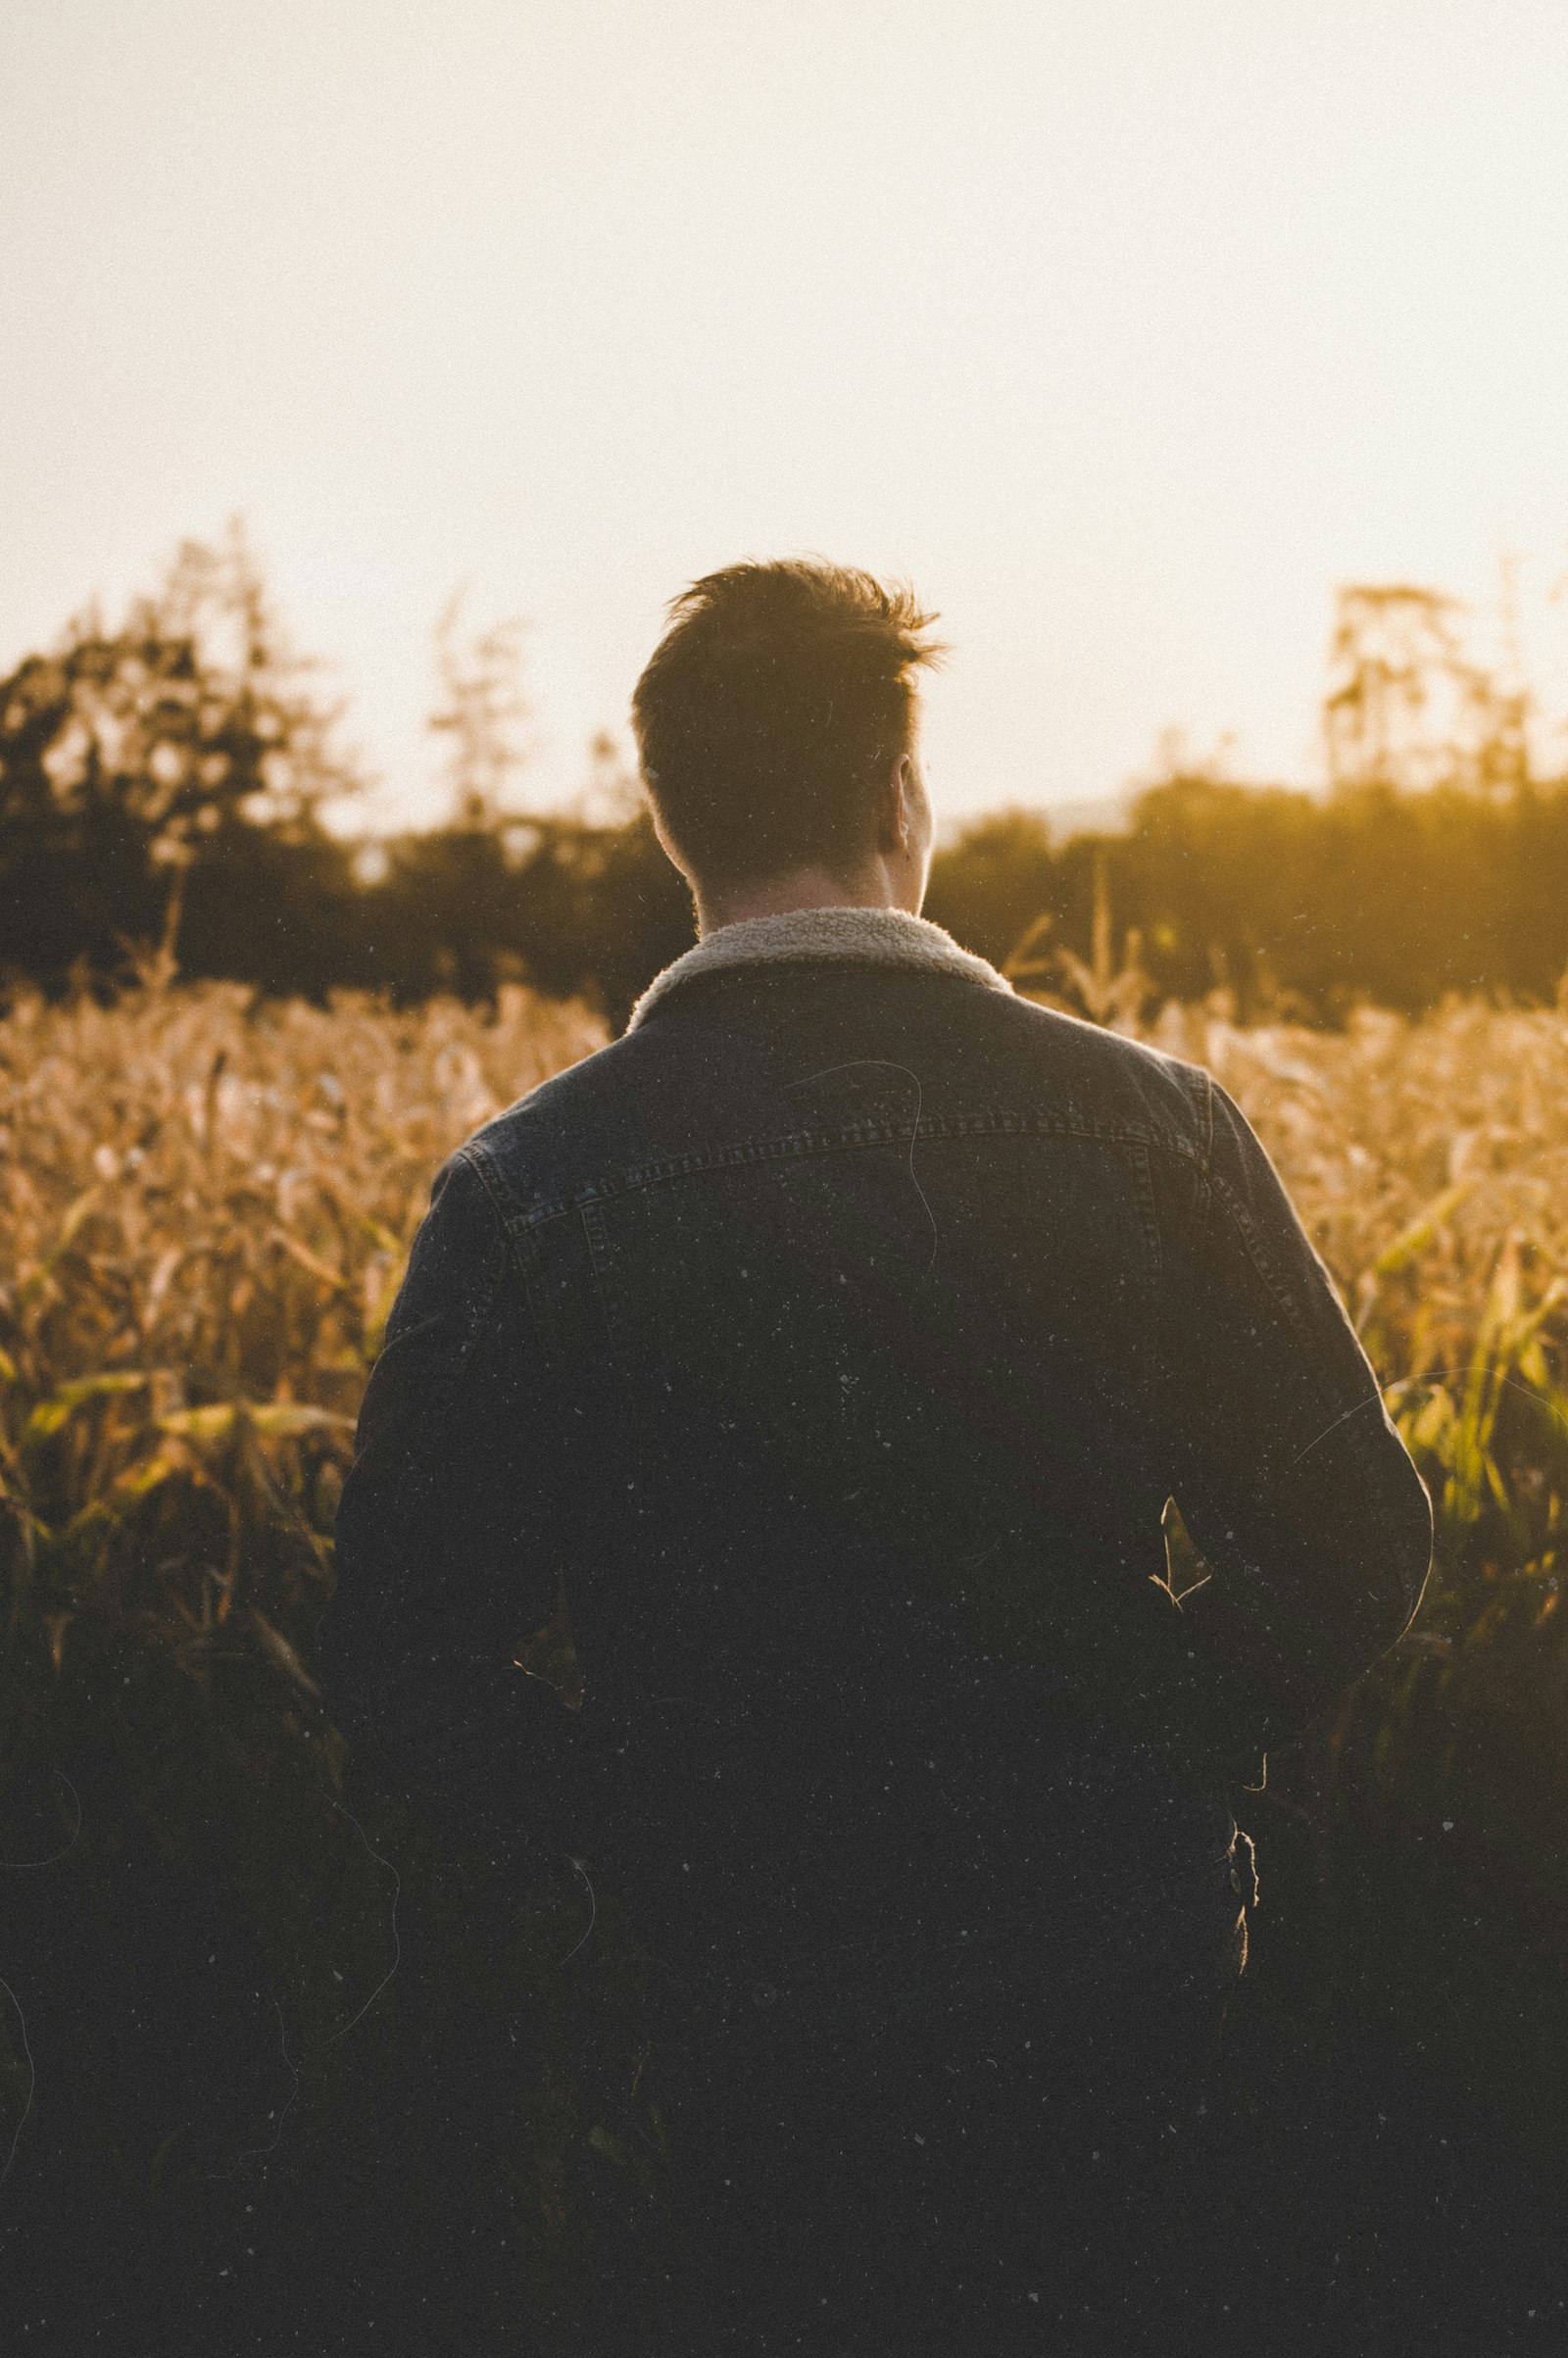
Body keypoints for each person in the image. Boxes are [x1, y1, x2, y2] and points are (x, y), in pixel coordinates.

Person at [317, 561, 1432, 2352]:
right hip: (1116, 1960)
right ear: (904, 792)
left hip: (748, 1998)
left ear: (670, 815)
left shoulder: (530, 1187)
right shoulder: (1155, 1122)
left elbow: (403, 1656)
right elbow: (1357, 1536)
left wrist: (668, 1834)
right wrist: (1141, 1745)